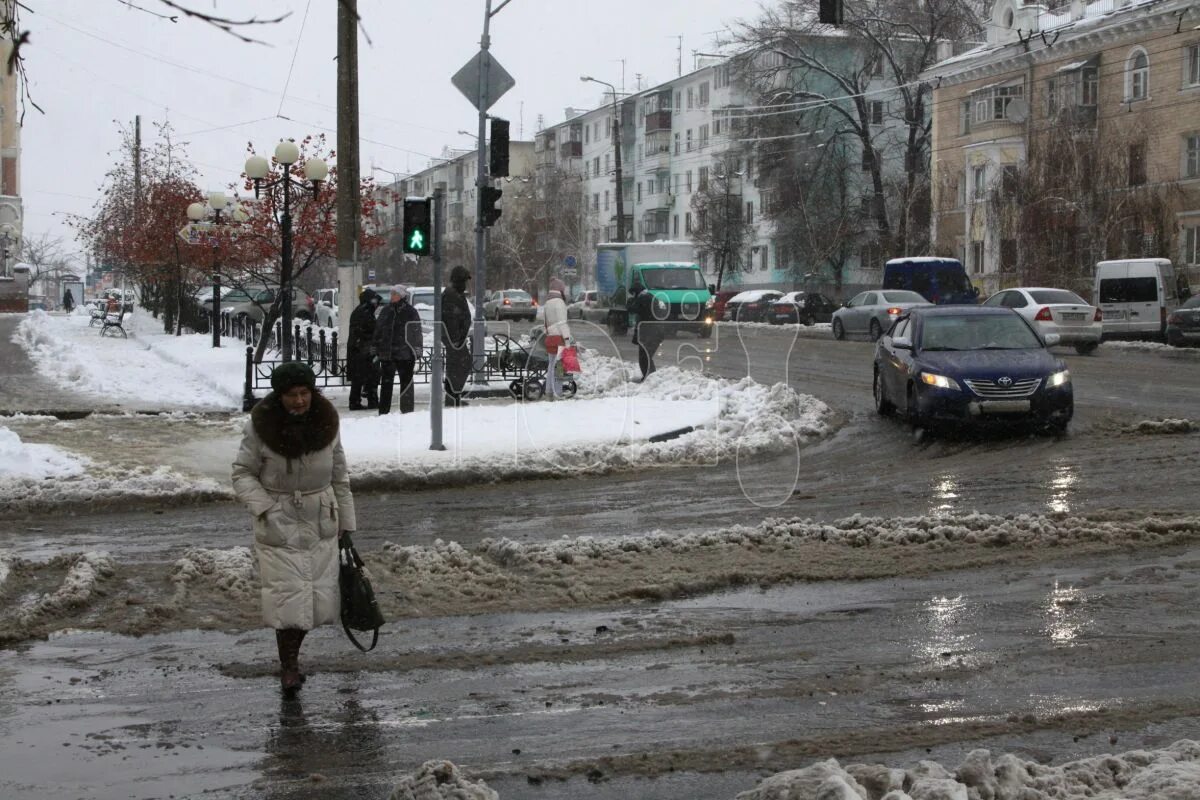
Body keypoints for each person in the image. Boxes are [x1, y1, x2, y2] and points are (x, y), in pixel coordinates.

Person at [231, 361, 356, 697]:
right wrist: (266, 509)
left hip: (321, 522)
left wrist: (347, 522)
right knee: (288, 600)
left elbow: (340, 476)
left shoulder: (327, 423)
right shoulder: (261, 427)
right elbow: (242, 474)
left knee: (315, 601)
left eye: (305, 393)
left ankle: (292, 660)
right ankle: (289, 667)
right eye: (292, 395)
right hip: (279, 523)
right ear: (280, 396)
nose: (300, 401)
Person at [372, 285, 423, 415]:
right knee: (386, 384)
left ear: (401, 296)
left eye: (394, 294)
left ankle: (407, 411)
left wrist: (417, 348)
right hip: (387, 353)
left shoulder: (410, 312)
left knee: (406, 383)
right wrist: (375, 346)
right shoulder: (386, 310)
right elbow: (378, 330)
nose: (391, 296)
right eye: (391, 294)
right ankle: (383, 411)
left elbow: (416, 331)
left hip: (405, 354)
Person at [442, 266, 473, 408]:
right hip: (454, 340)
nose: (465, 285)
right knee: (460, 365)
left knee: (456, 367)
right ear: (458, 280)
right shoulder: (451, 294)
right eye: (464, 281)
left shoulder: (455, 293)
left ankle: (453, 397)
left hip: (457, 339)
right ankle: (452, 397)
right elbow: (451, 318)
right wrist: (455, 338)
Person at [346, 288, 381, 411]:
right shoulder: (364, 312)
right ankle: (365, 400)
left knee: (363, 377)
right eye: (374, 300)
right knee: (365, 376)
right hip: (362, 350)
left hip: (360, 349)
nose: (376, 303)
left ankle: (362, 400)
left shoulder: (362, 311)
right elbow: (365, 331)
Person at [542, 278, 572, 399]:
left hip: (550, 337)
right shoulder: (559, 303)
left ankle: (548, 390)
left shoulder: (547, 303)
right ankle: (558, 392)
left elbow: (545, 323)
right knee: (559, 366)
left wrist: (549, 333)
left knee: (551, 365)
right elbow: (562, 323)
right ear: (560, 290)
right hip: (559, 338)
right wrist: (567, 339)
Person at [630, 279, 664, 380]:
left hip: (649, 333)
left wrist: (631, 303)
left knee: (645, 357)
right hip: (652, 333)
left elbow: (633, 309)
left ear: (636, 292)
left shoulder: (643, 298)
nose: (633, 295)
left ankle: (650, 378)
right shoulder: (650, 297)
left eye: (633, 293)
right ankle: (649, 377)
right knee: (646, 356)